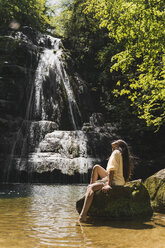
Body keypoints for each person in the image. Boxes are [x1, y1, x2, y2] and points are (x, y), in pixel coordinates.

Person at [79, 139, 133, 222]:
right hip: (119, 180)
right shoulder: (121, 154)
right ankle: (90, 195)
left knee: (90, 187)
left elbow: (112, 170)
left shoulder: (115, 153)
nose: (114, 141)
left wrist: (108, 184)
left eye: (117, 141)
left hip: (114, 181)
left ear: (119, 145)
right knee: (96, 167)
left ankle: (83, 216)